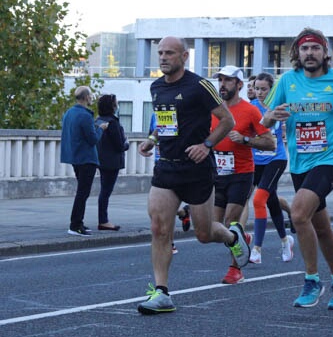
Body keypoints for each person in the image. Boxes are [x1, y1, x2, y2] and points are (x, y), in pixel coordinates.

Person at [136, 37, 248, 314]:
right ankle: (161, 293)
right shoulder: (156, 87)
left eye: (169, 53)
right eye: (160, 52)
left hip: (197, 169)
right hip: (167, 167)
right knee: (159, 228)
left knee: (204, 233)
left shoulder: (199, 86)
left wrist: (206, 145)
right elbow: (166, 121)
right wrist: (152, 138)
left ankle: (233, 238)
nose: (163, 57)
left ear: (184, 56)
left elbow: (227, 120)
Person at [262, 28, 333, 309]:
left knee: (299, 213)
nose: (309, 53)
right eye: (304, 49)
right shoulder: (287, 81)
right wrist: (272, 116)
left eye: (315, 48)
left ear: (325, 53)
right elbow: (265, 119)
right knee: (321, 227)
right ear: (297, 54)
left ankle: (311, 279)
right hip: (301, 161)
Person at [210, 66, 276, 284]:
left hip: (242, 173)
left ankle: (235, 269)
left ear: (239, 84)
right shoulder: (213, 110)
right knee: (212, 228)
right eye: (220, 80)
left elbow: (269, 143)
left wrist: (246, 140)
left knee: (231, 220)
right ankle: (241, 238)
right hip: (217, 173)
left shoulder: (250, 111)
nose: (223, 85)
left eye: (228, 81)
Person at [248, 72, 296, 263]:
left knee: (259, 199)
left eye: (264, 89)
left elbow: (291, 125)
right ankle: (286, 241)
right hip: (256, 161)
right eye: (256, 88)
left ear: (272, 89)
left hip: (276, 159)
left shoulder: (280, 106)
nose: (259, 93)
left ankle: (257, 249)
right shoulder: (251, 108)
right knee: (272, 201)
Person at [61, 86, 108, 236]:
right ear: (86, 97)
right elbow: (93, 139)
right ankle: (75, 224)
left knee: (82, 191)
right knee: (83, 193)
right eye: (90, 96)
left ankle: (78, 222)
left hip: (75, 157)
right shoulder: (85, 115)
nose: (91, 98)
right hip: (86, 158)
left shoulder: (69, 113)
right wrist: (101, 128)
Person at [95, 94, 129, 231]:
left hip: (101, 160)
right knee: (105, 191)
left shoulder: (98, 120)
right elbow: (119, 145)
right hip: (112, 162)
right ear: (112, 106)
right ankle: (103, 220)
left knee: (104, 190)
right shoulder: (113, 123)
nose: (117, 106)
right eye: (116, 104)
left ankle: (103, 219)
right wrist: (126, 143)